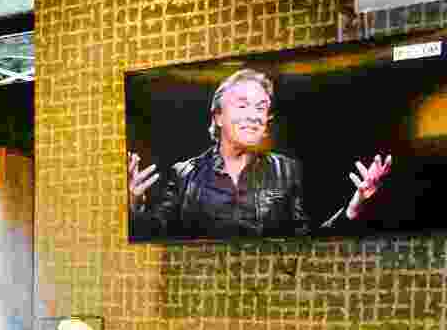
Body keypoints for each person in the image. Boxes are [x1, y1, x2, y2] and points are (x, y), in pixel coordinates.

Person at [128, 68, 392, 239]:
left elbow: (307, 243)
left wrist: (355, 207)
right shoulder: (185, 174)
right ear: (218, 116)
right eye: (242, 105)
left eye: (261, 107)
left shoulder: (286, 170)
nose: (254, 116)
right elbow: (155, 235)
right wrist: (133, 205)